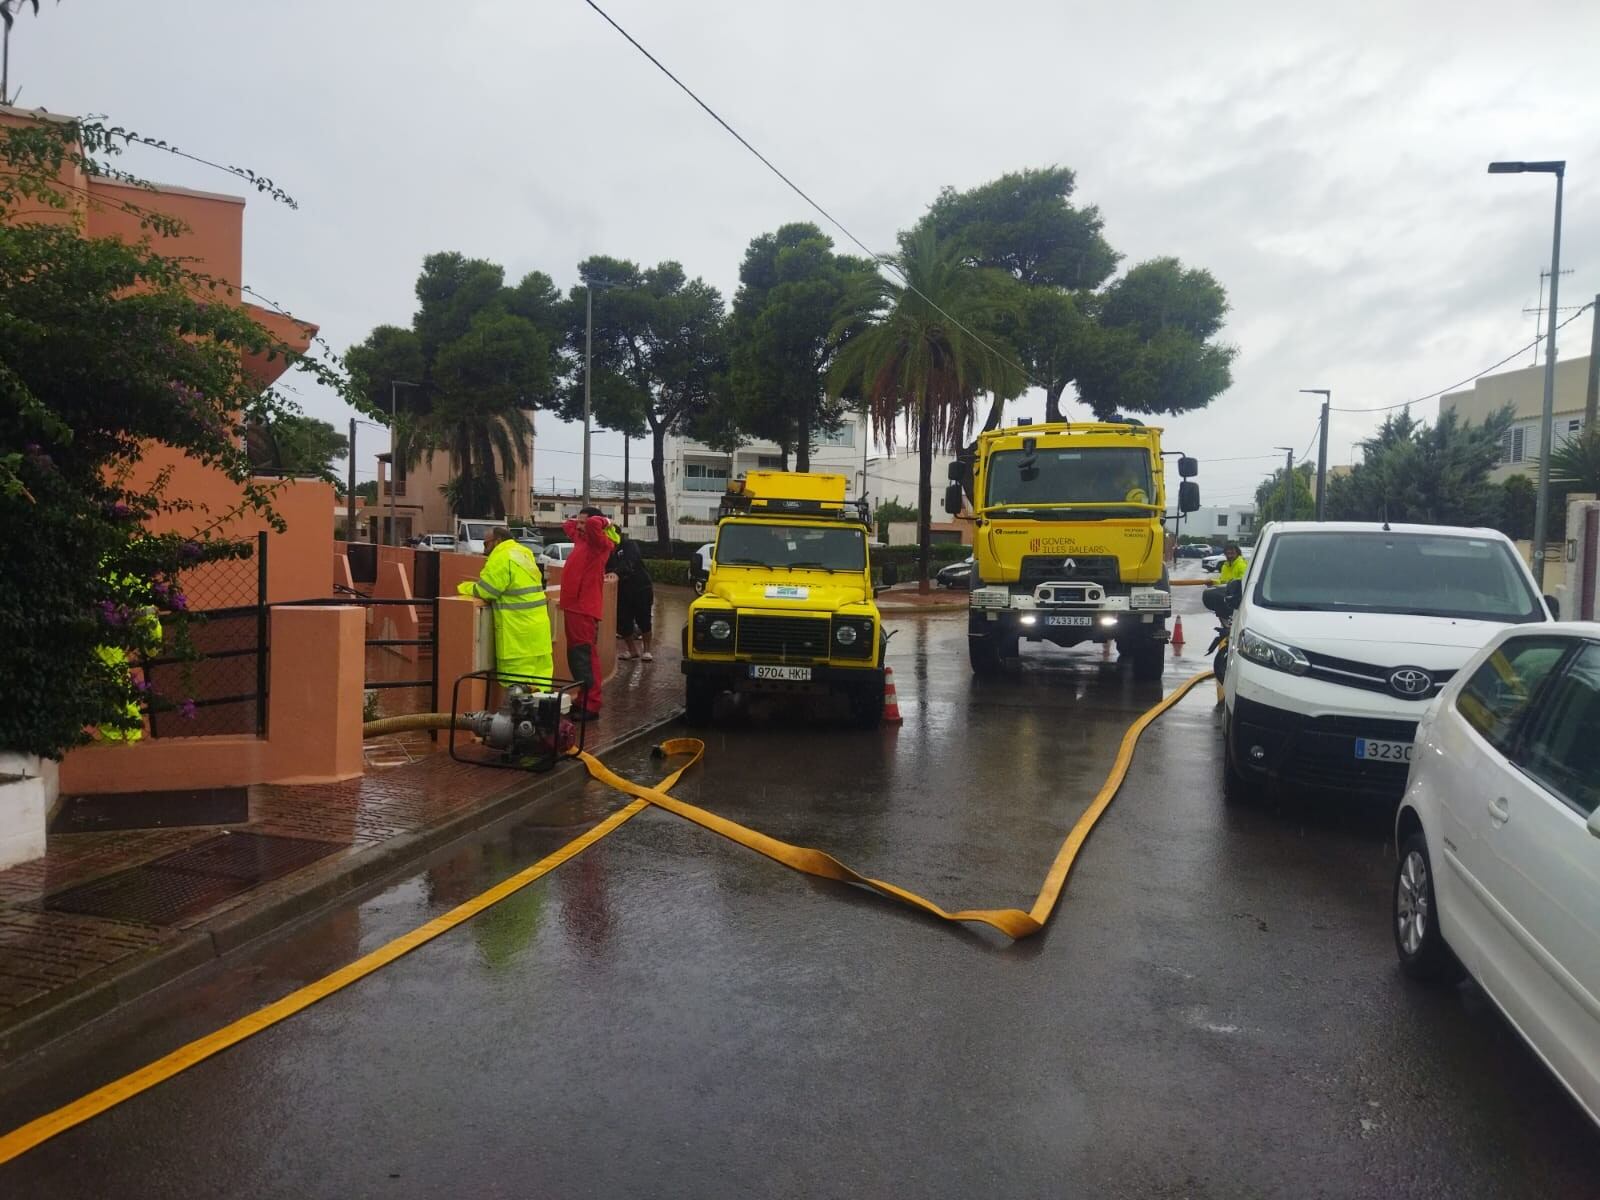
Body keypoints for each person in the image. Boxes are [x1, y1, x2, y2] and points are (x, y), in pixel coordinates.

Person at [456, 526, 553, 685]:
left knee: (517, 692)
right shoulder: (524, 553)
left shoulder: (501, 557)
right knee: (540, 688)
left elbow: (486, 591)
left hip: (517, 638)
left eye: (486, 544)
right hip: (539, 636)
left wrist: (464, 587)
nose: (483, 549)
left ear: (498, 541)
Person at [560, 506, 619, 721]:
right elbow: (566, 525)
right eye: (580, 523)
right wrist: (578, 522)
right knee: (577, 657)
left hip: (583, 607)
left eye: (584, 523)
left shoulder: (598, 543)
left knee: (584, 656)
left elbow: (595, 524)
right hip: (575, 606)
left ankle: (591, 704)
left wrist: (605, 521)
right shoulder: (583, 540)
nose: (580, 526)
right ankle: (584, 699)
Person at [608, 528, 655, 662]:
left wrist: (616, 572)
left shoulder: (629, 545)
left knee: (644, 619)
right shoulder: (607, 551)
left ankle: (647, 650)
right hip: (621, 591)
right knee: (623, 622)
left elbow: (630, 561)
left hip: (641, 588)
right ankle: (632, 650)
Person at [1202, 542, 1248, 618]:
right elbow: (1222, 581)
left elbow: (1243, 582)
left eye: (1232, 553)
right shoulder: (1225, 566)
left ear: (1237, 553)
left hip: (1236, 601)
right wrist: (1213, 582)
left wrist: (1232, 585)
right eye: (1227, 553)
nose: (1229, 555)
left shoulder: (1241, 565)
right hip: (1225, 598)